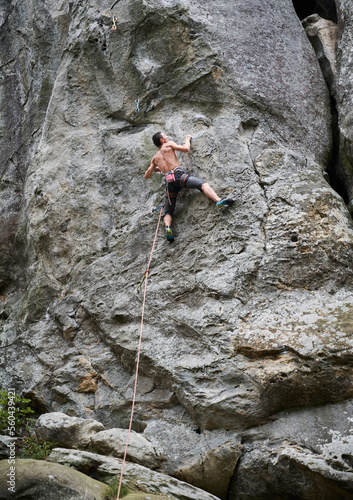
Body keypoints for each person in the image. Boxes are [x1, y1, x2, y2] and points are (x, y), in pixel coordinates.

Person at [145, 131, 234, 241]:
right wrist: (187, 139)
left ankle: (168, 227)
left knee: (168, 211)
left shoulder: (155, 158)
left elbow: (147, 175)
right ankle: (218, 200)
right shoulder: (168, 144)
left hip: (169, 182)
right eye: (165, 136)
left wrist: (158, 168)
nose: (167, 136)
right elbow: (185, 149)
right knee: (202, 184)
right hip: (179, 176)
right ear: (162, 140)